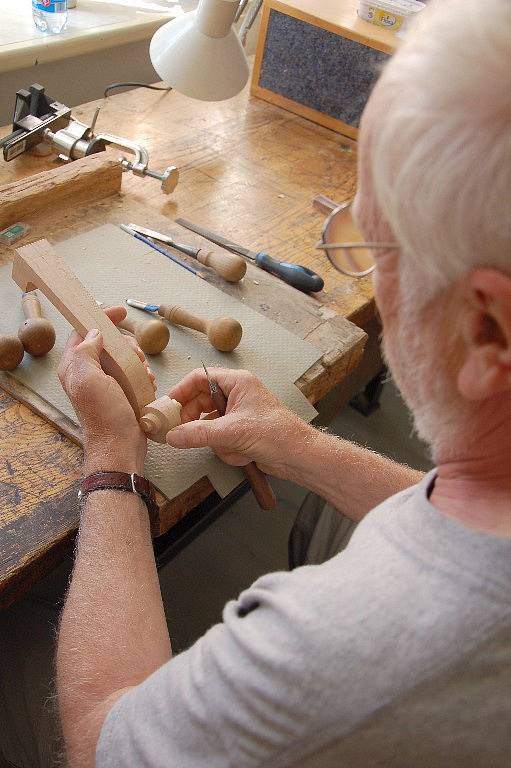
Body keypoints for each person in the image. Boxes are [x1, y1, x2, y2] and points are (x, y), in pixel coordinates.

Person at [55, 0, 511, 765]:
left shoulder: (345, 652)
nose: (364, 269)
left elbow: (104, 736)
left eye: (371, 246)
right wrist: (301, 447)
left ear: (487, 329)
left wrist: (111, 454)